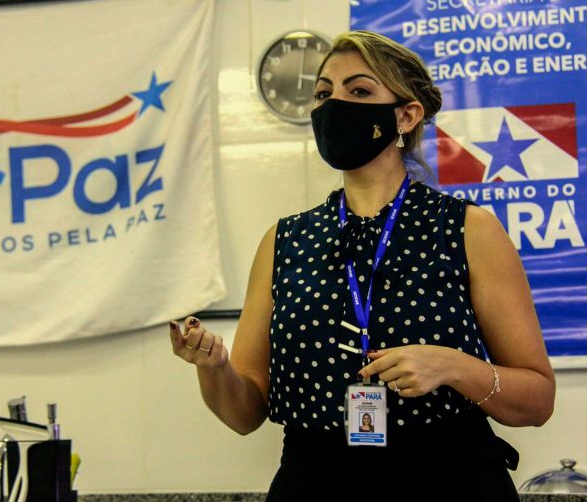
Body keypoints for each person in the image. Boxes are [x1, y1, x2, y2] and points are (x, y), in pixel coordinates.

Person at [169, 30, 555, 501]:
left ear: (406, 115)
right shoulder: (283, 241)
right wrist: (213, 367)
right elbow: (244, 414)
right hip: (315, 481)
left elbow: (537, 400)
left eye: (359, 91)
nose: (334, 105)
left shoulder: (467, 229)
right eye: (324, 94)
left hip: (447, 479)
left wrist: (453, 367)